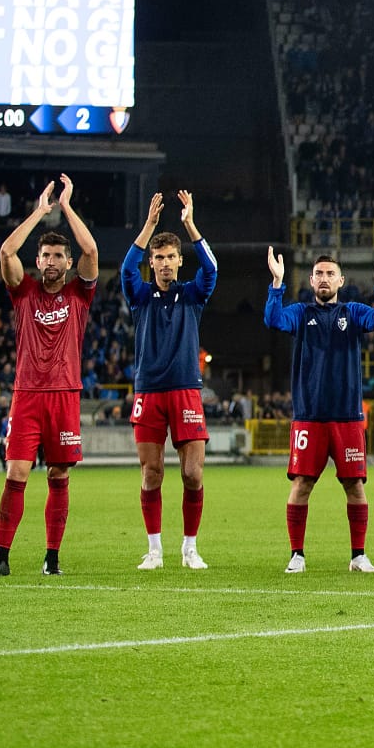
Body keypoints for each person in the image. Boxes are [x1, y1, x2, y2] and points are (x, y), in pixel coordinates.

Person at [0, 176, 100, 577]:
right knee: (15, 472)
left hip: (65, 394)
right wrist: (40, 211)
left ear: (68, 264)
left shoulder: (79, 295)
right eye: (45, 256)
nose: (50, 261)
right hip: (27, 394)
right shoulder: (24, 291)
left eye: (57, 256)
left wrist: (66, 207)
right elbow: (5, 250)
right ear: (38, 261)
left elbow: (91, 249)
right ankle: (1, 557)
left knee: (58, 474)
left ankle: (52, 557)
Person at [265, 245, 374, 573]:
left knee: (355, 486)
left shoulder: (352, 312)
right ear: (311, 280)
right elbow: (273, 319)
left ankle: (358, 556)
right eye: (319, 274)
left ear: (341, 280)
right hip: (309, 417)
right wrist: (277, 283)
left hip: (347, 416)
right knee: (302, 485)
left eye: (330, 274)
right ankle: (297, 555)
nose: (324, 279)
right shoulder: (300, 313)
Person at [123, 190, 218, 571]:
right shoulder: (140, 295)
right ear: (153, 262)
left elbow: (211, 268)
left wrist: (190, 226)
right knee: (151, 473)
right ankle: (155, 549)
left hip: (185, 391)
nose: (164, 264)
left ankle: (190, 548)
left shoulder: (192, 295)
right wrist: (148, 226)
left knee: (192, 474)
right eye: (158, 258)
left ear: (180, 261)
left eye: (170, 258)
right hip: (149, 390)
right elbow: (127, 269)